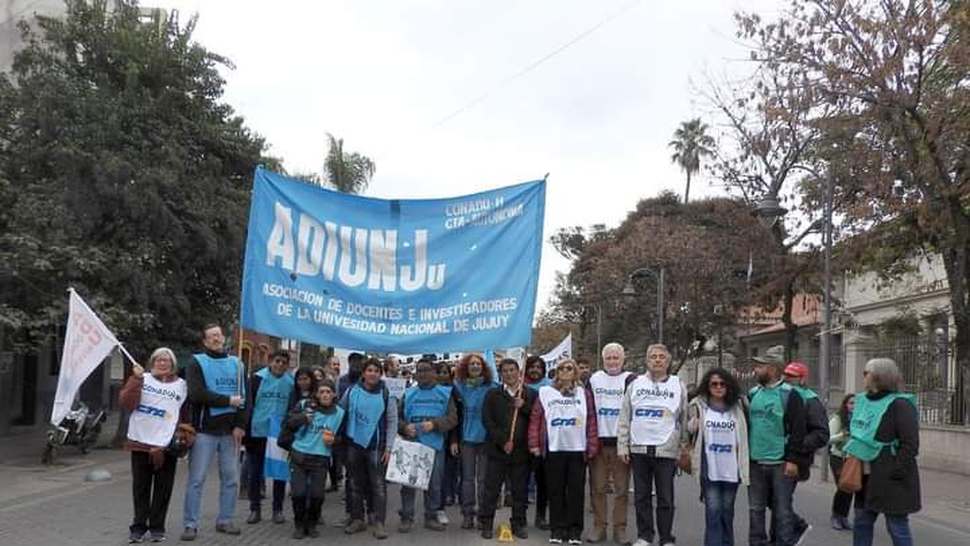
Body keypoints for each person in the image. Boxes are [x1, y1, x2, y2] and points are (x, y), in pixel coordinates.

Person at [181, 324, 249, 541]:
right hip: (204, 431)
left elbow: (246, 400)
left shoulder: (237, 364)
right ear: (204, 341)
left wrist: (241, 425)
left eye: (219, 335)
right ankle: (190, 524)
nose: (217, 339)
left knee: (230, 480)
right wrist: (228, 400)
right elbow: (197, 394)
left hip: (230, 432)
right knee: (196, 480)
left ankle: (225, 521)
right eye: (212, 336)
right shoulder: (196, 362)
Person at [616, 344, 689, 546]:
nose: (657, 360)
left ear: (668, 361)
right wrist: (623, 445)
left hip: (666, 450)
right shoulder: (635, 384)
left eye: (661, 357)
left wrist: (683, 447)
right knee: (641, 496)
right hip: (639, 448)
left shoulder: (678, 384)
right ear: (647, 361)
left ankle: (666, 538)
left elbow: (684, 417)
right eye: (653, 357)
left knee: (665, 498)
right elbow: (624, 416)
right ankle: (644, 536)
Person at [844, 358, 920, 546]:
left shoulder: (900, 404)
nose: (863, 377)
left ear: (879, 377)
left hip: (891, 476)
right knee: (861, 521)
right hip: (865, 474)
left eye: (866, 373)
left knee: (896, 526)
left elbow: (910, 444)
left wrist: (897, 471)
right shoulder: (861, 400)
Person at [120, 348, 191, 544]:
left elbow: (185, 413)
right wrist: (135, 379)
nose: (162, 363)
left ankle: (157, 528)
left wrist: (185, 433)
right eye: (159, 359)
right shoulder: (142, 378)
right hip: (140, 442)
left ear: (172, 364)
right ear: (152, 362)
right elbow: (125, 402)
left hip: (166, 445)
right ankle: (138, 528)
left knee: (163, 489)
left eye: (166, 360)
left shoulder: (181, 385)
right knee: (140, 488)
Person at [529, 358, 599, 545]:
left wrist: (592, 445)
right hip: (553, 449)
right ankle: (557, 529)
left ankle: (575, 530)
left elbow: (591, 419)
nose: (565, 371)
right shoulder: (546, 392)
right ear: (557, 372)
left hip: (577, 450)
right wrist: (534, 443)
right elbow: (536, 418)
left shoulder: (584, 393)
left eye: (570, 368)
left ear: (575, 372)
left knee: (575, 492)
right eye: (562, 368)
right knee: (555, 491)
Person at [746, 345, 808, 546]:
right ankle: (757, 543)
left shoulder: (790, 395)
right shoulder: (753, 394)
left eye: (759, 366)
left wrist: (792, 460)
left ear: (772, 369)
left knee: (782, 510)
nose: (755, 370)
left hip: (780, 463)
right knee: (755, 508)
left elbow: (798, 431)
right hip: (755, 462)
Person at [687, 368, 749, 546]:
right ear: (708, 386)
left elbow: (747, 432)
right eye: (714, 384)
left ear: (729, 386)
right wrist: (692, 425)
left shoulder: (739, 406)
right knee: (713, 511)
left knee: (727, 511)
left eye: (723, 384)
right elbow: (688, 430)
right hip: (709, 468)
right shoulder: (698, 405)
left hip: (732, 469)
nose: (719, 387)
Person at [398, 358, 458, 532]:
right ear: (415, 373)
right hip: (412, 443)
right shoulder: (408, 393)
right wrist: (404, 427)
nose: (423, 373)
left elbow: (453, 418)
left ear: (433, 372)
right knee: (408, 484)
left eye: (426, 370)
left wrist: (436, 425)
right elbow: (397, 417)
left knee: (434, 484)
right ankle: (406, 517)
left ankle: (431, 517)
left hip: (435, 444)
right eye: (420, 370)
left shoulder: (445, 393)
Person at [479, 358, 537, 540]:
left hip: (521, 452)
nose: (509, 374)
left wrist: (524, 407)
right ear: (501, 374)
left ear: (519, 372)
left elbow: (537, 418)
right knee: (491, 489)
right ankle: (486, 522)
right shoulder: (493, 395)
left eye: (512, 370)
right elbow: (487, 421)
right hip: (498, 450)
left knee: (519, 490)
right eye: (505, 371)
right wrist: (503, 440)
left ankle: (518, 523)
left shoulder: (530, 394)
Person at [340, 357, 396, 539]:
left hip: (376, 447)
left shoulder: (386, 394)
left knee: (378, 486)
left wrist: (389, 447)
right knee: (356, 484)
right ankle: (358, 519)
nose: (373, 374)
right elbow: (340, 411)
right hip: (353, 444)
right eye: (369, 370)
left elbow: (392, 421)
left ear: (381, 374)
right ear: (364, 373)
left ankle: (379, 523)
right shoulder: (351, 391)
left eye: (376, 371)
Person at [587, 343, 636, 544]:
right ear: (603, 359)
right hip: (598, 442)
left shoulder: (632, 380)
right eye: (609, 358)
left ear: (623, 359)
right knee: (598, 488)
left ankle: (620, 528)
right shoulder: (594, 379)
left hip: (621, 444)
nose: (612, 361)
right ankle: (599, 527)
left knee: (621, 490)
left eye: (616, 358)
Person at [285, 379, 345, 539]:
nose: (325, 395)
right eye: (321, 392)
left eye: (328, 392)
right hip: (299, 455)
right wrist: (304, 418)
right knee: (298, 493)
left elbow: (344, 437)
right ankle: (299, 524)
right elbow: (288, 423)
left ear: (334, 395)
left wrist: (335, 440)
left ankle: (311, 524)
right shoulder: (305, 405)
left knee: (318, 495)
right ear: (316, 394)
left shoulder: (340, 413)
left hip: (321, 459)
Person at [779, 361, 830, 542]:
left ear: (802, 379)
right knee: (776, 501)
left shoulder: (810, 400)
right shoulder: (779, 394)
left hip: (794, 458)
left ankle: (791, 533)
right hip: (774, 456)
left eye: (792, 376)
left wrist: (797, 444)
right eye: (786, 374)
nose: (787, 378)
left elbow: (822, 434)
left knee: (781, 502)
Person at [244, 350, 294, 525]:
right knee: (255, 473)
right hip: (257, 432)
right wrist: (245, 431)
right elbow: (247, 405)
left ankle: (277, 510)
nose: (280, 365)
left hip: (279, 435)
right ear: (270, 361)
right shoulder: (256, 379)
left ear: (287, 365)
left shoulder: (290, 382)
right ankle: (254, 509)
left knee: (279, 474)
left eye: (283, 362)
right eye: (277, 361)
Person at [452, 353, 498, 529]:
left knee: (484, 479)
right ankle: (468, 514)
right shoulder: (458, 386)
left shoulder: (492, 387)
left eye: (478, 364)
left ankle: (483, 514)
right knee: (467, 479)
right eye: (472, 364)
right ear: (466, 367)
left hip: (486, 439)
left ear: (483, 367)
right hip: (466, 439)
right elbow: (455, 414)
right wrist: (454, 439)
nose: (475, 366)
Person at [524, 355, 551, 530]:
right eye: (532, 367)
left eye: (538, 367)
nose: (535, 370)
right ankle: (519, 517)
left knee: (543, 481)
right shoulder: (520, 386)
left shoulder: (550, 386)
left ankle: (540, 516)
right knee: (521, 480)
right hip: (521, 439)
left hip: (542, 440)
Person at [828, 393, 856, 531]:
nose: (853, 406)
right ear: (845, 405)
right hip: (838, 457)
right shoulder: (838, 419)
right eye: (851, 403)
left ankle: (843, 516)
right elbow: (827, 438)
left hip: (852, 458)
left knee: (850, 488)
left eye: (856, 403)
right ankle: (835, 516)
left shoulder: (858, 420)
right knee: (842, 487)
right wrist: (841, 436)